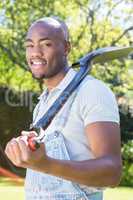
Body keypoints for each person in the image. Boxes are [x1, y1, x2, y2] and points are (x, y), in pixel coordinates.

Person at [5, 17, 122, 200]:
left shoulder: (92, 91)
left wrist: (46, 164)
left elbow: (112, 172)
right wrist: (24, 152)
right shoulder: (43, 103)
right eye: (29, 45)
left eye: (46, 44)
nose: (35, 52)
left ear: (66, 48)